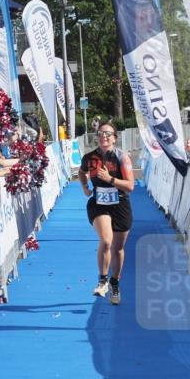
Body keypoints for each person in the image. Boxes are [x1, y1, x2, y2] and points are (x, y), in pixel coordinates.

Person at [78, 121, 134, 306]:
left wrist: (109, 179)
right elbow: (81, 171)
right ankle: (102, 280)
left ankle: (114, 283)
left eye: (108, 134)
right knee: (106, 240)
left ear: (114, 138)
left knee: (118, 249)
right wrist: (85, 185)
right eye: (101, 133)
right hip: (98, 204)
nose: (104, 136)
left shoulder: (122, 157)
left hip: (120, 204)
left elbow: (130, 186)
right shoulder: (89, 158)